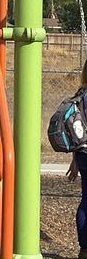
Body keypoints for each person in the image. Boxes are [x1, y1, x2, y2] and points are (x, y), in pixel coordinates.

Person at [67, 59, 87, 259]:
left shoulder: (79, 96)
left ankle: (84, 248)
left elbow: (77, 131)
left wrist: (74, 160)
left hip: (82, 154)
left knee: (85, 201)